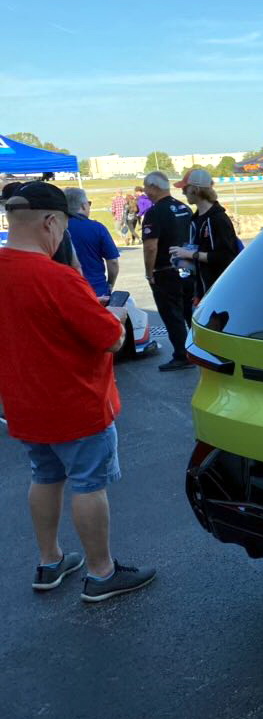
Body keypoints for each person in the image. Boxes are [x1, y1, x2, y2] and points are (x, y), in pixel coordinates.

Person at [0, 182, 155, 602]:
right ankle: (102, 574)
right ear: (51, 222)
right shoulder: (56, 278)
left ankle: (50, 561)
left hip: (24, 405)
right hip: (77, 403)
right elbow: (109, 338)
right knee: (89, 484)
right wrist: (115, 313)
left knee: (44, 477)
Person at [141, 171, 195, 371]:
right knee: (190, 312)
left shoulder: (154, 213)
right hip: (188, 268)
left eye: (146, 188)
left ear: (154, 188)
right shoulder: (184, 208)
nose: (145, 192)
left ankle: (182, 355)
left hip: (165, 270)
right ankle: (197, 349)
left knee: (172, 314)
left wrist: (149, 272)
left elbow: (150, 246)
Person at [170, 169, 241, 299]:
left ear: (195, 190)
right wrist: (184, 259)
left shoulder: (218, 219)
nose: (183, 192)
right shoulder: (196, 219)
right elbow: (202, 258)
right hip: (204, 291)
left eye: (185, 188)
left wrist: (190, 254)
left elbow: (226, 257)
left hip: (221, 292)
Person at [3, 182, 81, 273]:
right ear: (50, 223)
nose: (61, 237)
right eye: (62, 229)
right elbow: (76, 266)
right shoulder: (67, 280)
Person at [64, 188, 121, 300]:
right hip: (96, 290)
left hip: (67, 292)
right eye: (88, 203)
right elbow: (113, 262)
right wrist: (110, 284)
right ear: (83, 206)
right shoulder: (97, 228)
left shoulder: (55, 228)